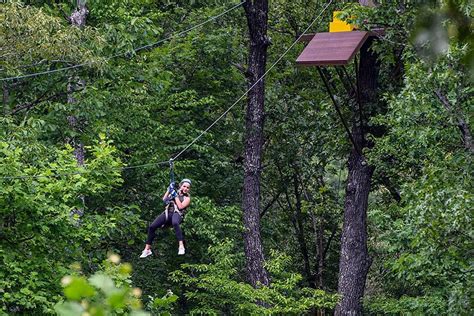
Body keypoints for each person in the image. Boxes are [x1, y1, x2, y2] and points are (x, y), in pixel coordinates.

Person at [140, 179, 191, 257]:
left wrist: (175, 196)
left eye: (187, 188)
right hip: (168, 213)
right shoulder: (175, 192)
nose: (185, 189)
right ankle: (147, 249)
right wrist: (169, 189)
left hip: (177, 214)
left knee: (175, 223)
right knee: (152, 227)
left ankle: (181, 246)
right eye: (184, 186)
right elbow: (164, 200)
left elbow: (180, 207)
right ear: (180, 186)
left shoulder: (187, 198)